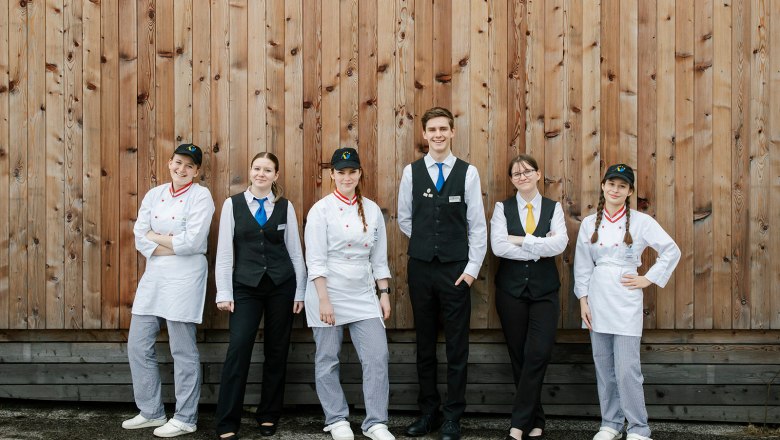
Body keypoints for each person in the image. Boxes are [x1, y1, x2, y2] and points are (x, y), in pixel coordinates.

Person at [397, 107, 487, 440]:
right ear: (424, 135)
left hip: (456, 271)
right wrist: (426, 243)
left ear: (452, 132)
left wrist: (471, 270)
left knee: (456, 346)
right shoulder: (412, 172)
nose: (437, 134)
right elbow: (406, 219)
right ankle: (428, 413)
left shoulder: (468, 173)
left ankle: (453, 416)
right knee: (424, 344)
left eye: (443, 129)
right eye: (431, 129)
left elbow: (477, 225)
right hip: (420, 269)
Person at [573, 164, 680, 440]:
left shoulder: (642, 222)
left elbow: (671, 250)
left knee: (627, 369)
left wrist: (649, 278)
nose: (615, 189)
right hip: (597, 299)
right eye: (611, 184)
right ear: (603, 186)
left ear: (629, 191)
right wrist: (583, 300)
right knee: (603, 365)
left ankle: (638, 428)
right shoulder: (588, 223)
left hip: (626, 301)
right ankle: (610, 423)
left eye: (622, 185)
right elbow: (583, 265)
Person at [122, 143, 215, 438]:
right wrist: (169, 243)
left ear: (197, 171)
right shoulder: (154, 194)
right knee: (138, 344)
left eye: (189, 166)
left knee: (182, 349)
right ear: (169, 163)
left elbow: (194, 243)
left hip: (186, 278)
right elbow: (140, 237)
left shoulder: (202, 196)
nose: (182, 169)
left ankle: (186, 417)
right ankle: (151, 411)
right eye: (178, 163)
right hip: (155, 277)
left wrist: (156, 239)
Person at [213, 152, 307, 439]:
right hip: (245, 287)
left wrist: (300, 291)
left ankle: (269, 414)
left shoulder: (285, 206)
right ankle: (227, 421)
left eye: (268, 170)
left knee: (277, 351)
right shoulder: (233, 204)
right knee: (238, 349)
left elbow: (295, 251)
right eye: (257, 168)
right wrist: (224, 291)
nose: (261, 174)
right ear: (250, 172)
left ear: (276, 175)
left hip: (281, 285)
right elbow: (225, 251)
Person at [304, 147, 395, 440]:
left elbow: (379, 258)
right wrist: (324, 299)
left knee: (377, 356)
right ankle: (336, 418)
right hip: (327, 290)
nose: (346, 177)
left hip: (363, 292)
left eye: (352, 171)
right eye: (341, 172)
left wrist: (384, 293)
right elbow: (315, 260)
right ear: (332, 174)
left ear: (359, 173)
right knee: (328, 358)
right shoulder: (320, 210)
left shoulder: (371, 209)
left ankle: (376, 422)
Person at [490, 154, 568, 440]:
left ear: (538, 175)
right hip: (511, 292)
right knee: (519, 356)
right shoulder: (503, 208)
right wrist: (540, 245)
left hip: (544, 291)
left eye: (527, 171)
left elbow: (559, 244)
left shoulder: (553, 207)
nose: (522, 176)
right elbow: (499, 247)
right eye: (516, 173)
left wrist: (521, 239)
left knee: (538, 352)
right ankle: (536, 419)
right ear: (511, 180)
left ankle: (517, 424)